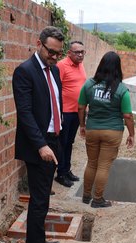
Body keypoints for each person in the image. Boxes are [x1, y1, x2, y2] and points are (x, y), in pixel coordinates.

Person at [13, 26, 65, 243]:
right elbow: (25, 114)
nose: (54, 57)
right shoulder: (25, 71)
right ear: (39, 43)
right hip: (38, 145)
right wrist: (42, 145)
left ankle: (40, 240)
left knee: (43, 198)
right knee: (39, 200)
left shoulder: (52, 71)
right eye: (51, 52)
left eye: (58, 54)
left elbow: (54, 104)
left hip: (52, 140)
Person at [77, 51, 135, 208]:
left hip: (92, 129)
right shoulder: (122, 90)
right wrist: (132, 134)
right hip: (112, 131)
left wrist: (82, 125)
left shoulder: (89, 84)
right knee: (103, 166)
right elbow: (128, 115)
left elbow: (81, 107)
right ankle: (97, 199)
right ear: (118, 68)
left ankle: (86, 196)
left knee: (91, 163)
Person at [55, 40, 87, 188]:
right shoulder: (61, 65)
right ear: (69, 53)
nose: (80, 55)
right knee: (62, 143)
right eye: (77, 52)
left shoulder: (80, 65)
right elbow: (55, 88)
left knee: (70, 143)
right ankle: (60, 174)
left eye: (82, 52)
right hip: (65, 112)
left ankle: (67, 170)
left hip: (77, 111)